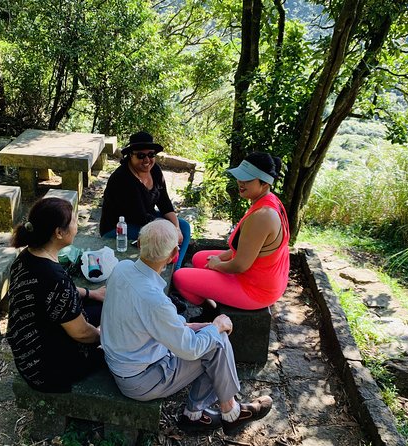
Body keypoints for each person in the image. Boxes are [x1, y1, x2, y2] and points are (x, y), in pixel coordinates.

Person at [100, 219, 273, 435]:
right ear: (174, 254)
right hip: (141, 380)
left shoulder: (122, 268)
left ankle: (201, 414)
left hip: (125, 361)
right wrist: (216, 326)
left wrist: (205, 326)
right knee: (216, 343)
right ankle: (227, 413)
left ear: (139, 243)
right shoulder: (155, 300)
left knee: (211, 334)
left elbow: (151, 321)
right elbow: (189, 349)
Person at [7, 197, 106, 393]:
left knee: (105, 307)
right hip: (48, 370)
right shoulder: (54, 278)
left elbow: (55, 295)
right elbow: (82, 333)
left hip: (27, 354)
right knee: (121, 334)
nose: (77, 226)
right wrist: (104, 336)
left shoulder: (27, 256)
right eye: (74, 222)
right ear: (59, 233)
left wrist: (91, 294)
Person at [172, 152, 290, 311]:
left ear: (265, 183)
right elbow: (244, 250)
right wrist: (219, 259)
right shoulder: (268, 201)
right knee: (200, 258)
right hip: (264, 277)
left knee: (180, 278)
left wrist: (217, 265)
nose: (240, 182)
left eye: (247, 179)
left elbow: (240, 265)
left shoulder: (262, 216)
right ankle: (215, 302)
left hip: (256, 290)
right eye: (240, 177)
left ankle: (211, 313)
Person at [99, 131, 191, 269]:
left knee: (184, 227)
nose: (147, 160)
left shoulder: (155, 171)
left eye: (151, 154)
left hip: (146, 219)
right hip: (120, 227)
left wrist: (176, 228)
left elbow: (165, 204)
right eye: (141, 156)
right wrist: (170, 230)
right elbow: (140, 216)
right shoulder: (122, 179)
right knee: (163, 236)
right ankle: (160, 268)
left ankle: (175, 268)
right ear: (131, 156)